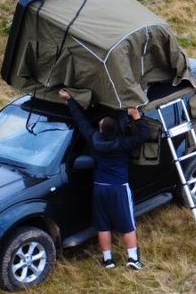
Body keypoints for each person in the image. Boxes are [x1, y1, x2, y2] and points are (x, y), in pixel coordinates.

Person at [60, 90, 155, 270]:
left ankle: (108, 260)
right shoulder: (123, 143)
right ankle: (133, 259)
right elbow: (145, 135)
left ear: (101, 130)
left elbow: (81, 122)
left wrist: (70, 100)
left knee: (103, 225)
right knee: (128, 224)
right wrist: (136, 116)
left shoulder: (94, 140)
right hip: (119, 188)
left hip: (100, 188)